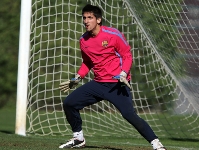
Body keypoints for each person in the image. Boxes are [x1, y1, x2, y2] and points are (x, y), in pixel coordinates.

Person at [59, 4, 166, 150]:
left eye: (90, 18)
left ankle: (157, 145)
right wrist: (78, 77)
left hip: (117, 83)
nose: (86, 21)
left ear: (98, 20)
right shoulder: (83, 40)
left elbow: (127, 55)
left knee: (129, 114)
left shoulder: (113, 34)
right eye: (84, 18)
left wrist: (123, 73)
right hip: (98, 84)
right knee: (70, 103)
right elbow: (87, 62)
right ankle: (78, 138)